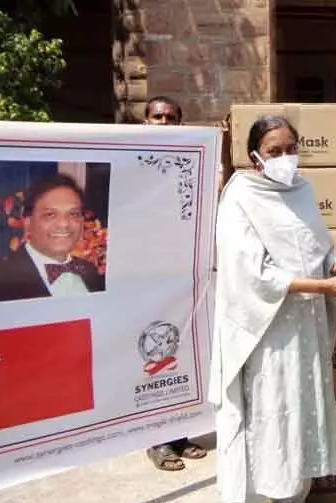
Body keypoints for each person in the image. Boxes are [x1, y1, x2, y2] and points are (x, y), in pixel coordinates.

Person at [208, 115, 336, 503]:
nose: (284, 157)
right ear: (255, 156)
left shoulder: (303, 191)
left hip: (305, 330)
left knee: (301, 411)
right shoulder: (239, 197)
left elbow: (318, 253)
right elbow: (251, 274)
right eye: (274, 150)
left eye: (291, 147)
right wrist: (323, 289)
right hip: (263, 333)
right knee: (261, 419)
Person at [136, 95, 213, 471]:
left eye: (171, 118)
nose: (164, 123)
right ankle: (157, 442)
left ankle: (180, 436)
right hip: (145, 276)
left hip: (184, 274)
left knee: (181, 353)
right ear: (145, 120)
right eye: (157, 117)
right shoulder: (133, 163)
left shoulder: (191, 163)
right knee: (153, 357)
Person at [0, 174, 105, 302]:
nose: (64, 224)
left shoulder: (90, 272)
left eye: (73, 214)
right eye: (50, 215)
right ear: (28, 222)